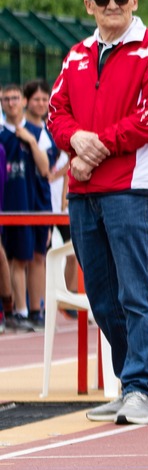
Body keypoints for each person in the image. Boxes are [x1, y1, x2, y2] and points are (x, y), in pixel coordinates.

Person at [48, 0, 148, 426]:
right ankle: (131, 385)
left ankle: (146, 389)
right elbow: (55, 112)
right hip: (83, 193)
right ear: (89, 6)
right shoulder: (76, 56)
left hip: (130, 190)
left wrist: (92, 149)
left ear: (134, 1)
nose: (112, 6)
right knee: (102, 298)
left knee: (135, 293)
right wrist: (75, 141)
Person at [8, 80, 63, 331]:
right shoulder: (12, 131)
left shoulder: (47, 132)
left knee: (40, 256)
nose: (41, 104)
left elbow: (47, 169)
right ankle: (19, 310)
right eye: (36, 99)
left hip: (43, 202)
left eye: (45, 99)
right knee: (20, 257)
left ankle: (36, 310)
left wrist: (31, 141)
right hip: (20, 202)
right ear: (26, 101)